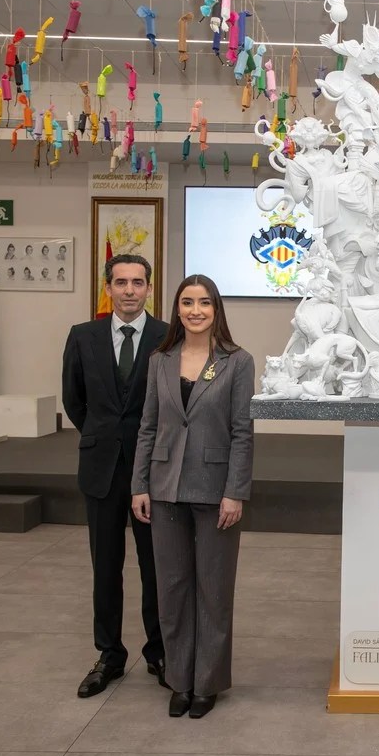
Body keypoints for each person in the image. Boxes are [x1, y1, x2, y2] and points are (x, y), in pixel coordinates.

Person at [132, 274, 255, 720]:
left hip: (216, 489)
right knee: (173, 588)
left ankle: (207, 683)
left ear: (216, 309)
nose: (196, 310)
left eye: (204, 302)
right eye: (187, 302)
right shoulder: (160, 359)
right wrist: (139, 485)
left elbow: (242, 433)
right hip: (164, 488)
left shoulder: (237, 362)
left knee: (214, 589)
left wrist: (235, 492)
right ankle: (179, 680)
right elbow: (148, 426)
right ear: (177, 309)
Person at [62, 254, 169, 700]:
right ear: (108, 287)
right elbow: (74, 400)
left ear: (149, 288)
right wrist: (102, 437)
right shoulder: (83, 336)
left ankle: (159, 651)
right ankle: (109, 655)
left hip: (154, 473)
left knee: (156, 567)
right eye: (121, 282)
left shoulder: (168, 337)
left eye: (138, 283)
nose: (129, 290)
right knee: (105, 567)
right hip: (102, 470)